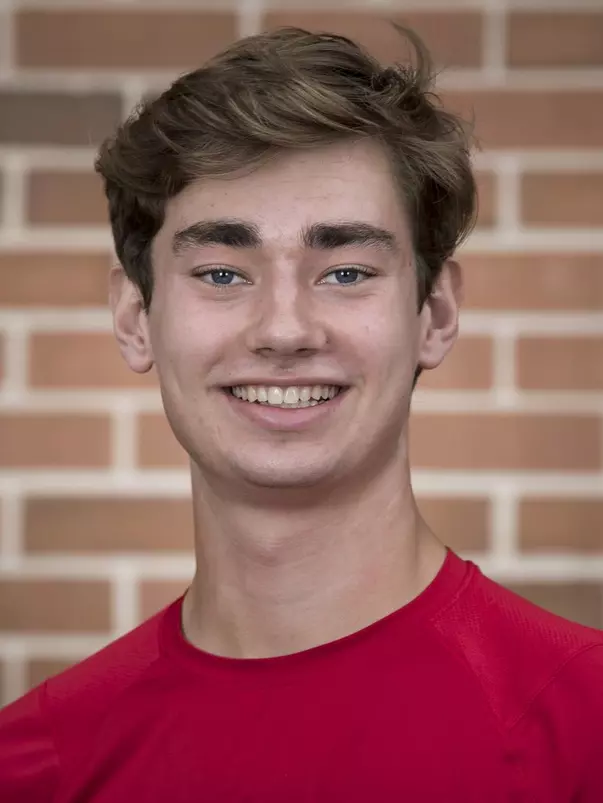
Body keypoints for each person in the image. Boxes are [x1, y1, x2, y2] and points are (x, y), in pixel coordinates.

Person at [1, 24, 602, 802]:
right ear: (134, 317)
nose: (284, 330)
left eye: (345, 270)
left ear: (435, 311)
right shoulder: (32, 767)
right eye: (221, 272)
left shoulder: (586, 726)